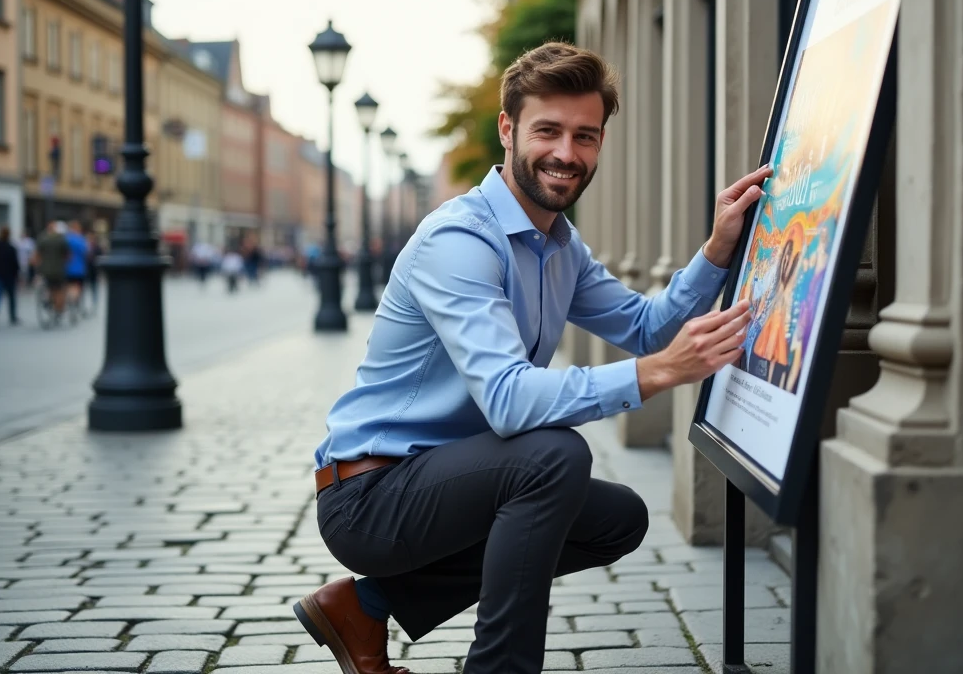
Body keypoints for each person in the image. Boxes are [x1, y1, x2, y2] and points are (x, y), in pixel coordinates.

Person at [294, 41, 772, 674]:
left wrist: (715, 250)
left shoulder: (559, 247)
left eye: (586, 136)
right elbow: (511, 400)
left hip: (450, 482)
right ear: (508, 129)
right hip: (371, 495)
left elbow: (647, 328)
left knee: (616, 519)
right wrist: (657, 374)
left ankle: (367, 604)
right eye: (547, 130)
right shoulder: (460, 240)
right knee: (554, 455)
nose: (566, 154)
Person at [34, 221, 70, 317]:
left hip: (45, 269)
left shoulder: (42, 238)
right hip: (58, 269)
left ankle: (48, 300)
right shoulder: (61, 239)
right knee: (58, 289)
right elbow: (67, 255)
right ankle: (58, 308)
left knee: (49, 286)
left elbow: (37, 255)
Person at [0, 227, 21, 326]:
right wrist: (17, 274)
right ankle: (12, 316)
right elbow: (15, 263)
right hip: (9, 275)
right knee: (11, 296)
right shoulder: (11, 248)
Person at [64, 220, 89, 309]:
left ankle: (69, 298)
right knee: (77, 286)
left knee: (69, 285)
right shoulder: (81, 239)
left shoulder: (66, 238)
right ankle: (73, 301)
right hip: (79, 268)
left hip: (67, 267)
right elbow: (86, 252)